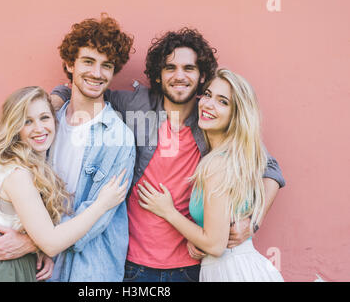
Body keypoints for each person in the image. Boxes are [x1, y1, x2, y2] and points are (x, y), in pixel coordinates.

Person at [51, 28, 285, 282]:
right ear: (159, 76)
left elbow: (269, 169)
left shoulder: (210, 117)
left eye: (189, 68)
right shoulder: (135, 106)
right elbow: (89, 89)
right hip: (132, 265)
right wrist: (53, 102)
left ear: (202, 75)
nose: (179, 76)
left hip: (191, 265)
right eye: (170, 68)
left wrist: (252, 223)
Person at [0, 14, 136, 282]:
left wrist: (32, 242)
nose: (96, 73)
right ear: (70, 64)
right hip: (35, 268)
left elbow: (101, 215)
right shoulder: (46, 121)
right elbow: (9, 167)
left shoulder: (119, 138)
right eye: (88, 62)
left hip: (87, 269)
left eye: (107, 65)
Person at [0, 87, 128, 281]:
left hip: (19, 265)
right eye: (27, 122)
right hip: (3, 270)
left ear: (54, 120)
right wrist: (101, 205)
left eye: (44, 118)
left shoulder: (32, 166)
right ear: (15, 127)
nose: (39, 128)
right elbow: (51, 242)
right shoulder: (18, 174)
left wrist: (37, 252)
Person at [138, 69, 284, 281]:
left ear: (237, 115)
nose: (208, 105)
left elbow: (215, 245)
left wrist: (168, 211)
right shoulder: (235, 156)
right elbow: (217, 234)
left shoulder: (217, 163)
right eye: (207, 95)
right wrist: (199, 237)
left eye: (223, 102)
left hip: (233, 272)